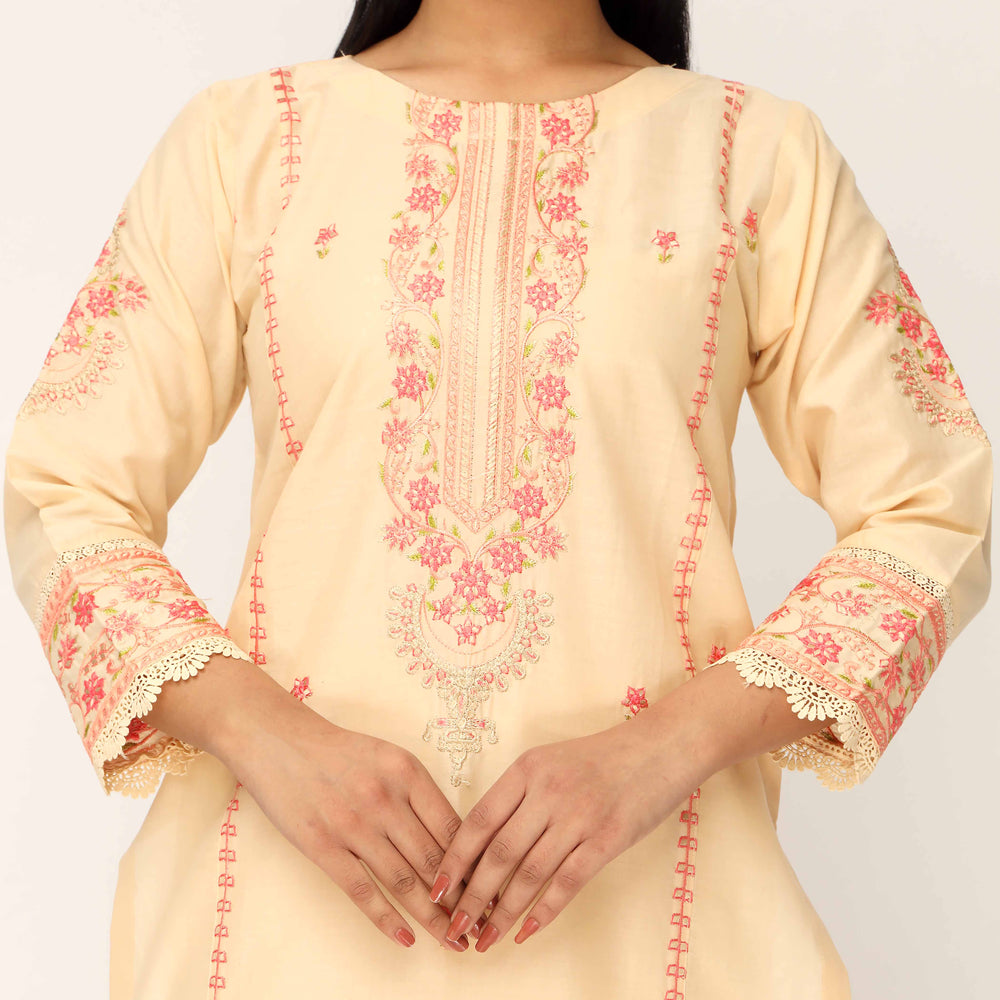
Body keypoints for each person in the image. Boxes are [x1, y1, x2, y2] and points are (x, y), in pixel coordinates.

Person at [4, 1, 992, 996]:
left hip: (654, 907)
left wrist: (662, 748)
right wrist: (267, 732)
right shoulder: (246, 141)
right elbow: (61, 488)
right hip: (273, 903)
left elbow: (936, 508)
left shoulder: (755, 155)